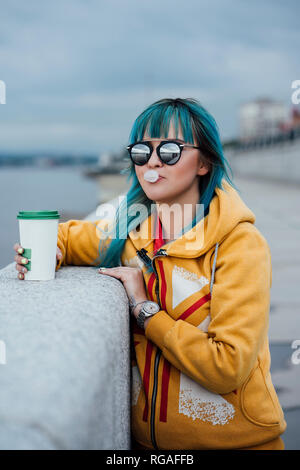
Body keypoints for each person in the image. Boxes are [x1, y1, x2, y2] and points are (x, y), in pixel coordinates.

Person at [13, 98, 286, 450]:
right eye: (142, 151)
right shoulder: (130, 230)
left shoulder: (238, 245)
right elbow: (68, 235)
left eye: (170, 150)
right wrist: (50, 250)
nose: (153, 162)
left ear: (204, 162)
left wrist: (145, 310)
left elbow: (226, 366)